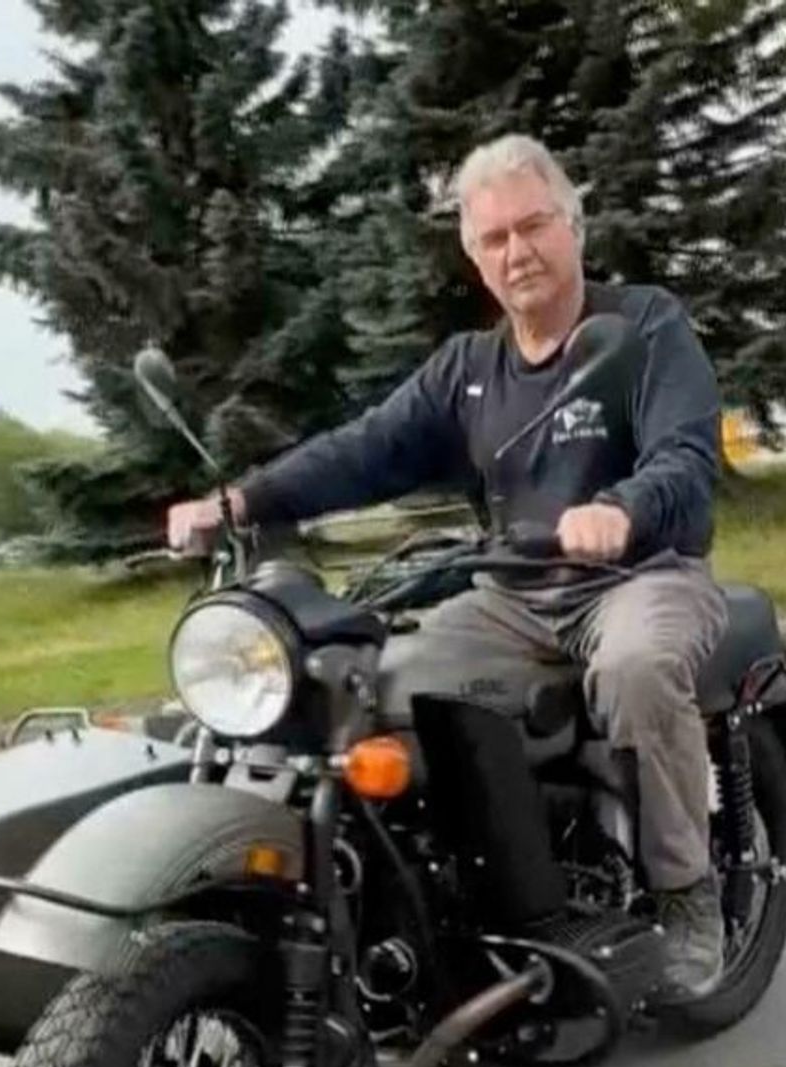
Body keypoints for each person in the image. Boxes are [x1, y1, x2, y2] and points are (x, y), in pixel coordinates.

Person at [165, 133, 728, 997]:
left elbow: (686, 457)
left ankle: (688, 895)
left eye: (534, 225)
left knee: (638, 668)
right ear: (474, 256)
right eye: (495, 238)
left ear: (572, 227)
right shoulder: (468, 370)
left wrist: (621, 508)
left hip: (640, 578)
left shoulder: (645, 326)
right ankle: (454, 902)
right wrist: (241, 502)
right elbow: (365, 449)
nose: (518, 251)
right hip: (512, 595)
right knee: (373, 680)